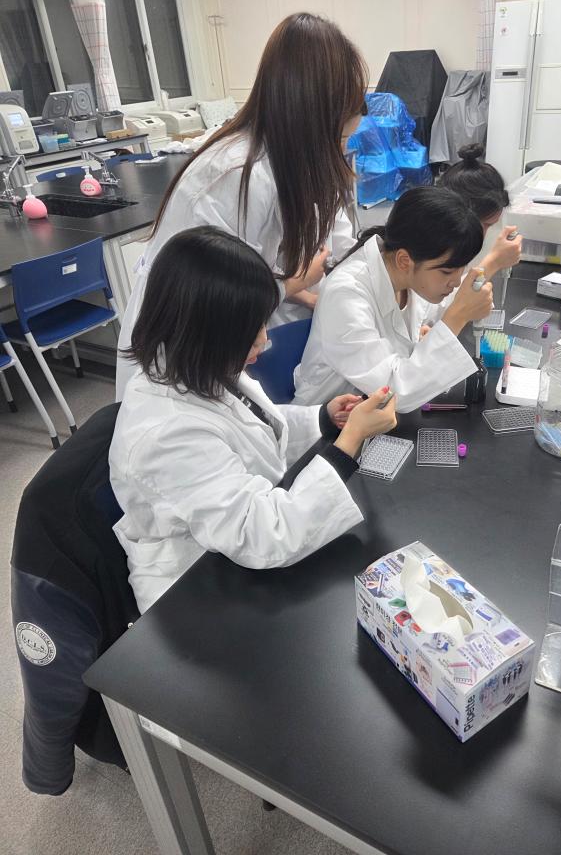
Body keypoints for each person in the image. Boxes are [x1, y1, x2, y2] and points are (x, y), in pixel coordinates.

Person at [110, 227, 396, 614]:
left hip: (235, 551)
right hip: (194, 588)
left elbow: (254, 429)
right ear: (204, 331)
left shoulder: (194, 366)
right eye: (250, 331)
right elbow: (265, 535)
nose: (265, 340)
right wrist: (347, 446)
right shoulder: (166, 434)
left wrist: (325, 419)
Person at [115, 11, 368, 399]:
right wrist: (296, 283)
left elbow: (331, 245)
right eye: (339, 135)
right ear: (311, 114)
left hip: (247, 330)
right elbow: (218, 294)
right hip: (189, 345)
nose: (341, 148)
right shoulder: (235, 177)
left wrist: (321, 287)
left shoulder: (297, 162)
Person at [293, 186, 520, 413]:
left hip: (374, 416)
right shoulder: (346, 293)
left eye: (461, 270)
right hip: (330, 422)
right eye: (447, 272)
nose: (455, 281)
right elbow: (394, 392)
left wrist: (480, 279)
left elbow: (441, 305)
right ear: (404, 260)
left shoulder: (405, 273)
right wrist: (457, 317)